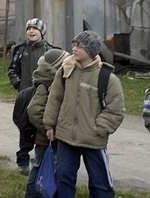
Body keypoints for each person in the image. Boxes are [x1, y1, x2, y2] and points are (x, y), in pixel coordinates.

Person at [43, 31, 125, 198]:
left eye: (79, 46)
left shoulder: (107, 77)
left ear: (91, 50)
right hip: (66, 137)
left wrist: (98, 128)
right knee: (63, 179)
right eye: (74, 45)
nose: (74, 49)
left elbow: (115, 110)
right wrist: (50, 124)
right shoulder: (66, 70)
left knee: (100, 184)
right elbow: (55, 98)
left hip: (93, 141)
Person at [8, 17, 52, 174]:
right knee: (25, 128)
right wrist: (18, 84)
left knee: (41, 128)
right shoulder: (20, 50)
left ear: (42, 32)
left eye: (35, 29)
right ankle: (23, 161)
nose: (31, 31)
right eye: (29, 29)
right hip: (25, 96)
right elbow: (12, 70)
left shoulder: (50, 51)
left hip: (44, 98)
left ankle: (41, 162)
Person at [23, 49, 69, 197]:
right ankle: (32, 194)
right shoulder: (45, 85)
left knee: (47, 167)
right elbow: (34, 110)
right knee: (39, 167)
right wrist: (48, 128)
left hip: (50, 136)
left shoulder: (54, 82)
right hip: (46, 138)